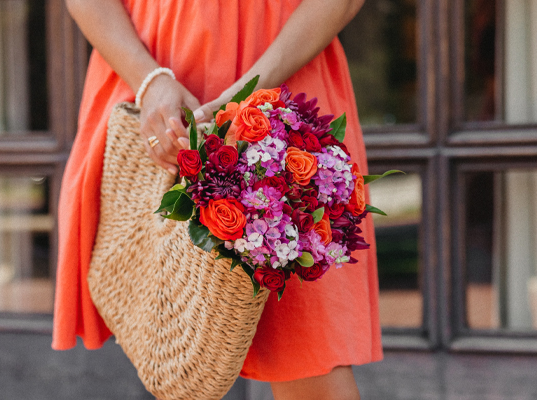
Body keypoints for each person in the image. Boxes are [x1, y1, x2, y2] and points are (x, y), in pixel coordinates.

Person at [53, 1, 381, 399]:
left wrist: (252, 88)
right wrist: (150, 81)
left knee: (311, 363)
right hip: (149, 77)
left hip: (287, 68)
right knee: (169, 346)